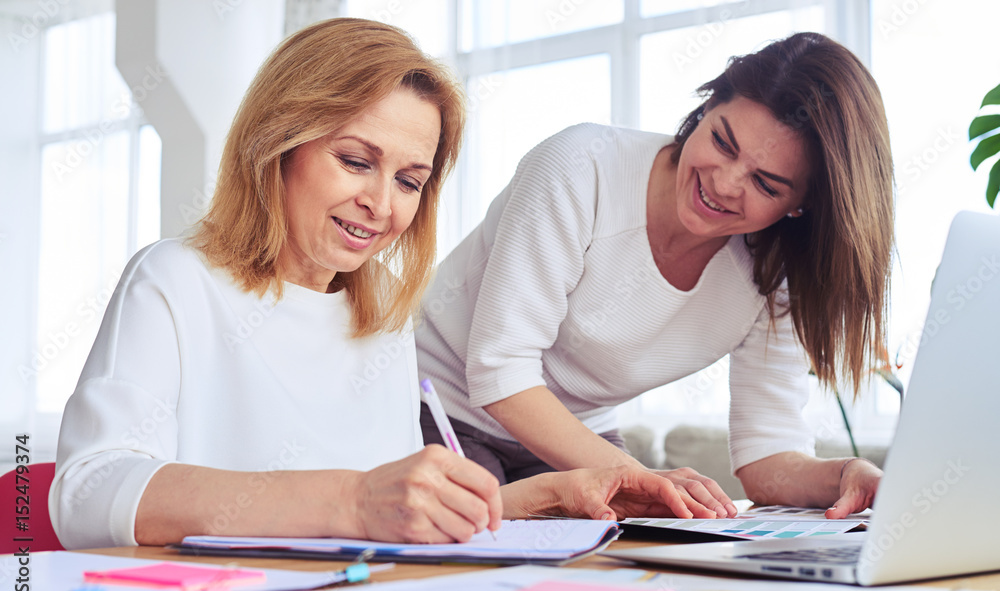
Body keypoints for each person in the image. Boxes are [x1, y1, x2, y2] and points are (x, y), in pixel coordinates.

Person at [50, 18, 699, 550]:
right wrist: (352, 501)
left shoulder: (385, 310)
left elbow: (382, 510)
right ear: (279, 144)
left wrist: (539, 498)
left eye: (410, 181)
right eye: (356, 161)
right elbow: (88, 494)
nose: (382, 204)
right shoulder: (175, 280)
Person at [415, 32, 893, 520]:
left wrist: (845, 475)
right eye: (722, 142)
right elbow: (500, 370)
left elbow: (766, 451)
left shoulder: (777, 273)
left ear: (802, 207)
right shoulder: (582, 167)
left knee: (619, 562)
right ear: (705, 108)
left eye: (766, 184)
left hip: (574, 435)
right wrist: (636, 477)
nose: (724, 184)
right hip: (441, 410)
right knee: (469, 546)